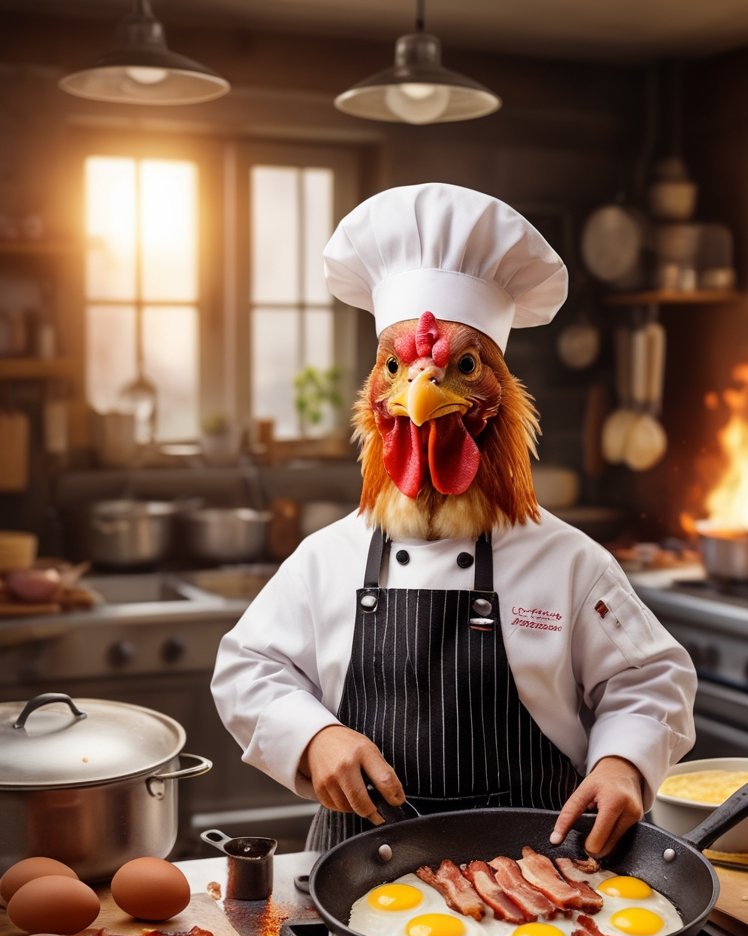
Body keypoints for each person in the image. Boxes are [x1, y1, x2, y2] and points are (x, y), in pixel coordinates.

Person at [211, 182, 696, 858]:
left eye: (461, 366)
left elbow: (649, 679)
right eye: (395, 366)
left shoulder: (569, 562)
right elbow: (247, 669)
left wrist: (623, 763)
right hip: (356, 881)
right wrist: (313, 736)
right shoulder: (328, 558)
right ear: (376, 391)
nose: (420, 388)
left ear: (499, 395)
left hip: (539, 883)